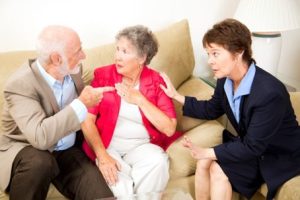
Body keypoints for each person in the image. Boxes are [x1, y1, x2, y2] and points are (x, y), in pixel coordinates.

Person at [160, 18, 300, 200]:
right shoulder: (225, 81)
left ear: (239, 52)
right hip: (252, 147)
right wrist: (176, 96)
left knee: (216, 168)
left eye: (215, 54)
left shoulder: (269, 93)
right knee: (204, 162)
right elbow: (211, 109)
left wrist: (208, 151)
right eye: (208, 54)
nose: (210, 61)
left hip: (278, 154)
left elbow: (254, 146)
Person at [0, 25, 115, 200]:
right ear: (56, 59)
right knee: (41, 162)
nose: (83, 55)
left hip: (65, 149)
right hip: (27, 149)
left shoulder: (74, 71)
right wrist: (81, 104)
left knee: (101, 195)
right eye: (78, 51)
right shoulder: (19, 85)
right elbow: (40, 137)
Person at [81, 25, 182, 197]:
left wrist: (140, 100)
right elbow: (86, 120)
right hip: (108, 146)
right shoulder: (103, 76)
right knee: (115, 179)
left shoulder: (156, 81)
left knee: (158, 162)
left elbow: (169, 128)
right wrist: (103, 156)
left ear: (142, 57)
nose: (117, 56)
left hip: (141, 147)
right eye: (117, 49)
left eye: (125, 51)